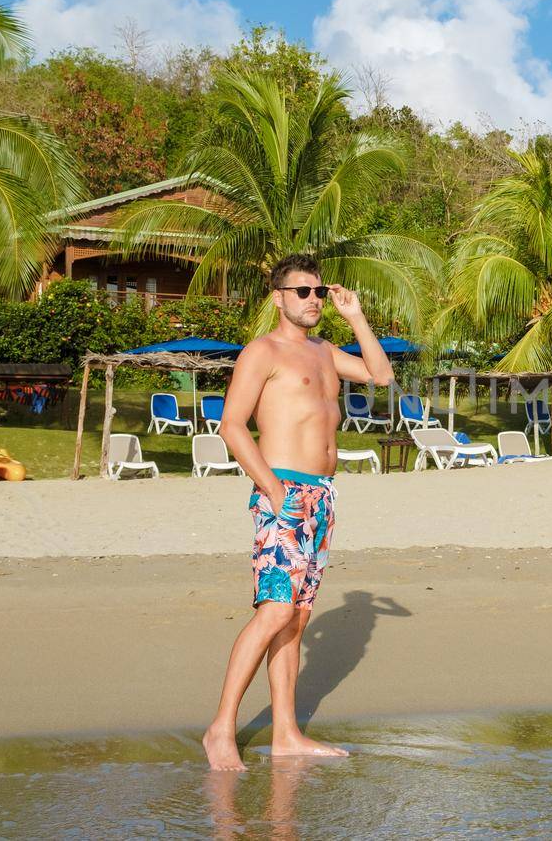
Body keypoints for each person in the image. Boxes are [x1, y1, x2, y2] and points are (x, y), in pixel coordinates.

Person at [202, 253, 394, 771]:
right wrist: (270, 487)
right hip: (282, 493)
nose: (313, 300)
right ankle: (220, 729)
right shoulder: (262, 352)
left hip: (323, 498)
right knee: (277, 610)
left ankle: (285, 733)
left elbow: (381, 375)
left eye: (317, 292)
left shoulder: (326, 352)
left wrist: (355, 316)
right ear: (278, 297)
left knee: (298, 618)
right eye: (302, 292)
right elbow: (232, 425)